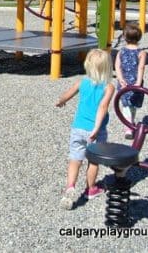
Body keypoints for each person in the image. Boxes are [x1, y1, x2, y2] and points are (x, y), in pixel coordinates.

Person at [55, 48, 115, 210]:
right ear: (108, 67)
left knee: (75, 158)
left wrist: (60, 101)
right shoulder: (108, 87)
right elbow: (103, 107)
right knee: (93, 161)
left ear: (87, 65)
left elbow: (67, 94)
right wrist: (96, 128)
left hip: (78, 128)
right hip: (95, 131)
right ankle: (91, 189)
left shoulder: (82, 82)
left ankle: (70, 186)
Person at [115, 23, 147, 140]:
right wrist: (138, 82)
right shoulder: (141, 53)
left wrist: (120, 79)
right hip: (135, 82)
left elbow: (117, 67)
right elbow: (141, 67)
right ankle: (129, 128)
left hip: (124, 82)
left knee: (127, 105)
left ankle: (130, 123)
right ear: (139, 37)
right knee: (131, 105)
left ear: (124, 37)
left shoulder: (121, 51)